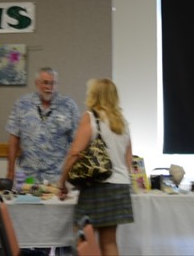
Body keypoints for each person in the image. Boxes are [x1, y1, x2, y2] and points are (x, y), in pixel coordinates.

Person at [58, 78, 134, 256]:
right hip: (120, 186)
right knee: (109, 242)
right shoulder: (122, 122)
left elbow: (74, 153)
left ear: (94, 95)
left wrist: (62, 182)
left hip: (97, 186)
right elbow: (128, 158)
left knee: (85, 239)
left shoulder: (91, 117)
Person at [5, 67, 80, 184]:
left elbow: (78, 142)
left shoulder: (69, 106)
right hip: (27, 176)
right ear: (37, 83)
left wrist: (73, 173)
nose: (49, 87)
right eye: (45, 83)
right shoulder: (22, 104)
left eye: (53, 83)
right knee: (27, 202)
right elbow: (13, 139)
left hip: (57, 176)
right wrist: (10, 172)